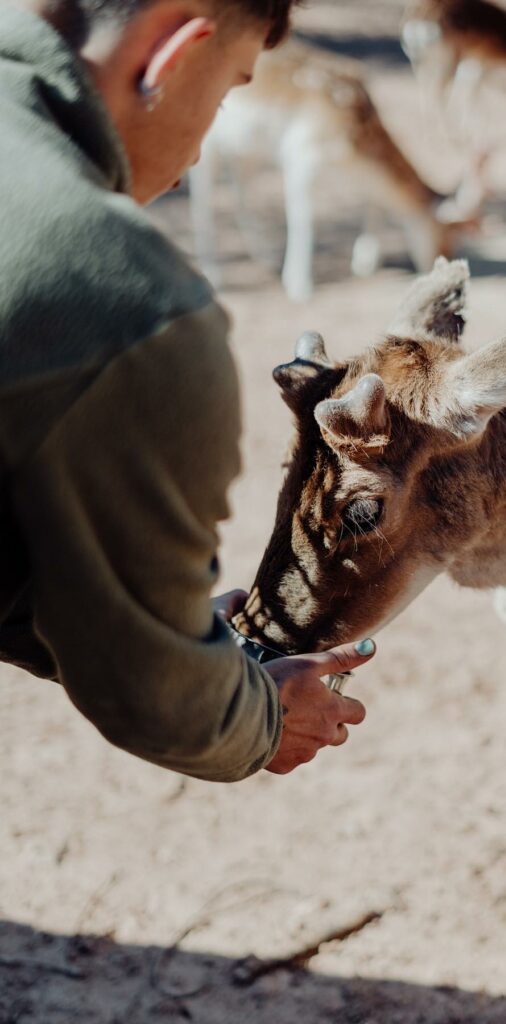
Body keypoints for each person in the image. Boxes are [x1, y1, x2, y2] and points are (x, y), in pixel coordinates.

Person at [0, 0, 374, 781]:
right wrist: (256, 715)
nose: (201, 154)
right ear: (171, 55)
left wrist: (138, 611)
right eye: (228, 90)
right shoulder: (127, 306)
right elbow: (155, 695)